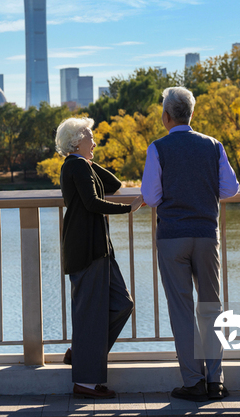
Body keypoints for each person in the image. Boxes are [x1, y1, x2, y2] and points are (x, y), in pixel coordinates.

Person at [141, 87, 239, 402]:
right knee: (211, 307)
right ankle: (215, 381)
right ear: (191, 114)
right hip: (207, 235)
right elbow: (230, 188)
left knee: (182, 311)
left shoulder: (158, 148)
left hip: (172, 238)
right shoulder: (213, 145)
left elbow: (151, 197)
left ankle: (193, 381)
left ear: (166, 116)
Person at [56, 116, 144, 399]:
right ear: (76, 141)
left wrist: (89, 159)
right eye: (89, 137)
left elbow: (114, 183)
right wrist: (128, 210)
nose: (94, 142)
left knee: (122, 303)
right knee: (90, 312)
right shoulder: (74, 166)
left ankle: (81, 353)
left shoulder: (82, 165)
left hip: (100, 248)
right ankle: (85, 382)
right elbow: (93, 203)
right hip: (86, 248)